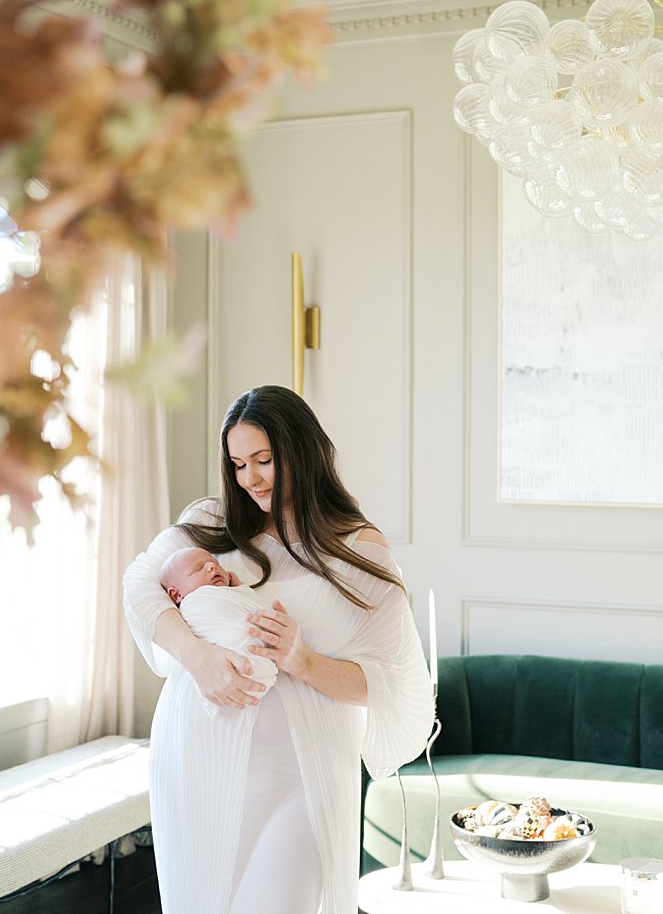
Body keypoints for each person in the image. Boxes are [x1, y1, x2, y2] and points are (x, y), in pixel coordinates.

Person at [123, 385, 434, 914]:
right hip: (197, 766)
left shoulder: (358, 548)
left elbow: (390, 682)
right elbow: (139, 584)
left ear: (303, 451)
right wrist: (197, 658)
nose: (250, 479)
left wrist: (301, 661)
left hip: (301, 772)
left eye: (264, 460)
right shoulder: (212, 522)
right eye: (238, 464)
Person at [158, 547, 278, 709]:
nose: (212, 566)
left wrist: (242, 590)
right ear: (176, 595)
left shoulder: (232, 594)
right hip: (215, 673)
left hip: (258, 668)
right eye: (198, 568)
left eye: (216, 563)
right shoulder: (191, 604)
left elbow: (261, 612)